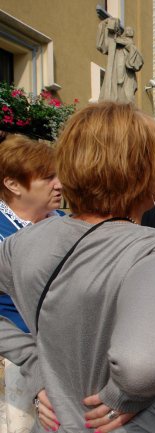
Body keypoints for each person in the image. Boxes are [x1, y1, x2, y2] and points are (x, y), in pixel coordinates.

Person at [0, 102, 155, 432]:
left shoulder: (20, 244)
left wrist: (36, 366)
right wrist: (121, 395)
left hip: (58, 421)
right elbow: (146, 364)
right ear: (142, 174)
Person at [0, 134, 63, 433]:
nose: (59, 184)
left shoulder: (67, 222)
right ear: (13, 184)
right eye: (48, 177)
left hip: (67, 359)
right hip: (13, 361)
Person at [96, 18, 144, 103]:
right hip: (114, 76)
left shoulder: (132, 47)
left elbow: (137, 64)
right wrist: (106, 23)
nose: (130, 32)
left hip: (127, 78)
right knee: (113, 99)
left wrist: (129, 47)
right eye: (128, 30)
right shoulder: (114, 43)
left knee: (127, 100)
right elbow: (102, 46)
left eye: (131, 31)